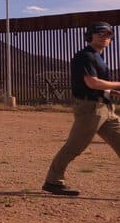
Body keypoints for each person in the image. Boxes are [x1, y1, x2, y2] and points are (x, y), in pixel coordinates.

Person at [42, 21, 120, 196]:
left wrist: (113, 91)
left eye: (108, 34)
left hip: (105, 108)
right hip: (90, 109)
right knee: (75, 146)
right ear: (90, 36)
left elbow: (97, 84)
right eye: (100, 33)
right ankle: (53, 181)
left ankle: (53, 180)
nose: (105, 37)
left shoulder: (98, 57)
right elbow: (91, 83)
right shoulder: (85, 56)